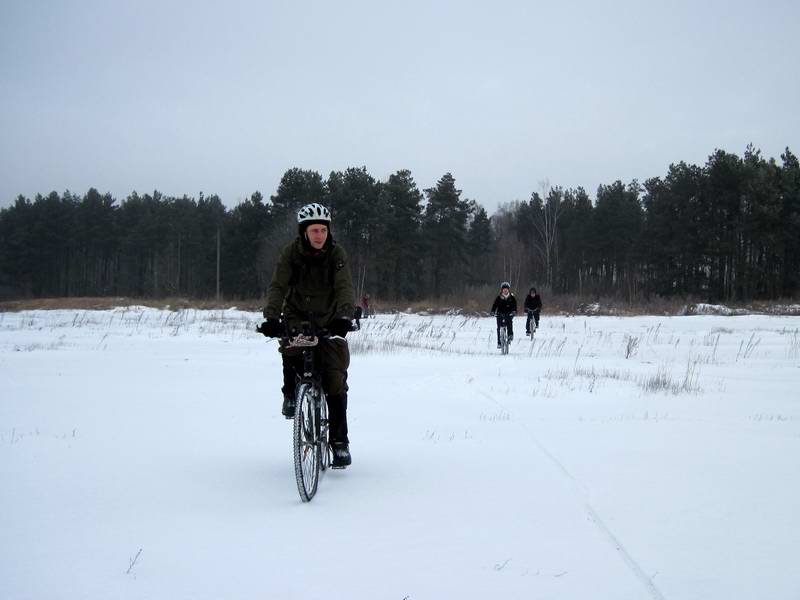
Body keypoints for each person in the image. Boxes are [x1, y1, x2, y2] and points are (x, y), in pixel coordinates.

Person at [258, 203, 355, 468]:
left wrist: (345, 316)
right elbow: (278, 285)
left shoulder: (336, 254)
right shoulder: (291, 254)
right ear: (304, 232)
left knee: (335, 378)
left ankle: (339, 443)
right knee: (291, 348)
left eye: (323, 230)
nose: (319, 235)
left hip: (329, 318)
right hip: (297, 315)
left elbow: (345, 285)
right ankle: (291, 393)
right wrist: (270, 317)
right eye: (314, 230)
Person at [490, 282, 517, 348]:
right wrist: (493, 311)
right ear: (502, 290)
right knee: (499, 328)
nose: (505, 290)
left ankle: (510, 335)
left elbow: (514, 305)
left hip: (509, 313)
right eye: (504, 289)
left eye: (506, 289)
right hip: (500, 314)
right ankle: (499, 343)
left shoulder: (512, 297)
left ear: (508, 290)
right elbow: (495, 305)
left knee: (509, 323)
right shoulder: (498, 297)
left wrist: (514, 311)